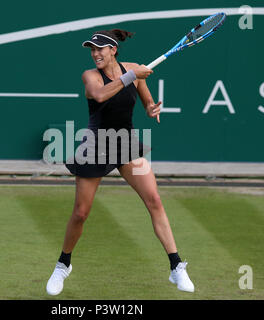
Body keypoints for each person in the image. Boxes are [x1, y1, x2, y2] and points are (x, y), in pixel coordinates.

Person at [46, 29, 194, 295]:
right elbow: (101, 95)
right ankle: (63, 265)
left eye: (99, 49)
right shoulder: (91, 76)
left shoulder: (134, 70)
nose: (95, 54)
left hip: (126, 143)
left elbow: (148, 104)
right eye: (92, 49)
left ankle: (176, 266)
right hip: (96, 145)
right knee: (81, 213)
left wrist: (152, 109)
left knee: (155, 200)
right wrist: (131, 76)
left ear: (113, 49)